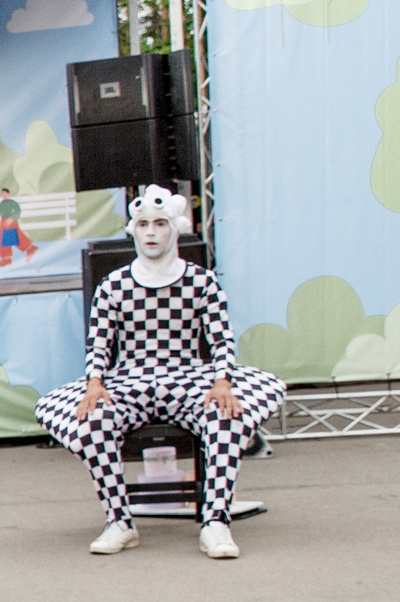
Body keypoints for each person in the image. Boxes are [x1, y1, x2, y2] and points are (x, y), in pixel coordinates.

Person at [34, 186, 285, 560]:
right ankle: (119, 520)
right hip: (130, 378)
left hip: (188, 376)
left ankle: (216, 522)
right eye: (144, 224)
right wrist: (94, 381)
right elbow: (99, 342)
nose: (151, 232)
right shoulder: (114, 285)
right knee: (94, 418)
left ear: (174, 229)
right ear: (133, 230)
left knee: (225, 414)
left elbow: (221, 338)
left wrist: (222, 380)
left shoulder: (202, 281)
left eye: (160, 224)